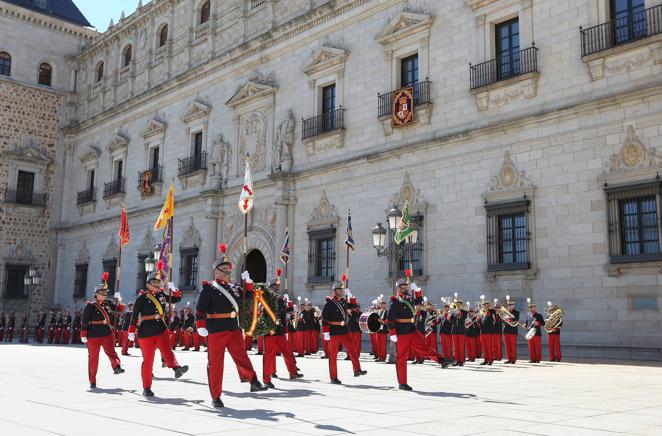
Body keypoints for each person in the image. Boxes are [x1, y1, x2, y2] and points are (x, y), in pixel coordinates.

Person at [195, 245, 267, 409]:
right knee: (216, 364)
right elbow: (200, 308)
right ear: (217, 272)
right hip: (216, 329)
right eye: (225, 270)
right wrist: (200, 324)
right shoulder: (209, 288)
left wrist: (248, 283)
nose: (228, 272)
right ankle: (216, 396)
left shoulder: (233, 288)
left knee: (241, 356)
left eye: (229, 269)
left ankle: (253, 381)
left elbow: (247, 298)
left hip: (233, 328)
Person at [127, 271, 189, 397]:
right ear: (148, 284)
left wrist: (174, 289)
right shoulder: (142, 298)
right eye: (154, 282)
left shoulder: (162, 295)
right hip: (146, 330)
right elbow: (134, 316)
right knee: (148, 360)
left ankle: (176, 368)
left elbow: (176, 298)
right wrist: (131, 330)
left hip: (161, 328)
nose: (157, 284)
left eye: (158, 282)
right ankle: (146, 387)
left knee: (167, 350)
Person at [388, 279, 449, 391]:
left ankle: (441, 360)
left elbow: (419, 301)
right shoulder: (394, 301)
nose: (406, 288)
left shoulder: (410, 299)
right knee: (402, 357)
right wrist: (392, 333)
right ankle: (402, 383)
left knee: (423, 347)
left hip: (412, 329)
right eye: (404, 287)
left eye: (407, 287)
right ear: (399, 288)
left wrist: (417, 290)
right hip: (401, 332)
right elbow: (390, 319)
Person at [321, 279, 367, 384]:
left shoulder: (343, 301)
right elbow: (325, 319)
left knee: (352, 349)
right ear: (334, 291)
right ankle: (333, 377)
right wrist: (326, 332)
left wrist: (350, 295)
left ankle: (357, 370)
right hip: (333, 330)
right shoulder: (329, 303)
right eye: (339, 290)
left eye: (342, 289)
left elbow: (354, 306)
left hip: (344, 329)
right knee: (333, 355)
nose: (341, 291)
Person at [262, 272, 303, 388]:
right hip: (270, 331)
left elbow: (284, 317)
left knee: (287, 352)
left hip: (279, 330)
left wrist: (285, 331)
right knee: (268, 355)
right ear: (269, 288)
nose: (277, 289)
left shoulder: (280, 301)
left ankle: (292, 372)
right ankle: (266, 379)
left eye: (277, 287)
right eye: (274, 287)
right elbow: (262, 316)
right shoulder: (264, 300)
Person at [81, 281, 126, 389]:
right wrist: (83, 334)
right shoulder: (90, 306)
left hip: (107, 332)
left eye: (105, 293)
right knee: (93, 358)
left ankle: (116, 366)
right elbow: (84, 321)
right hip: (93, 334)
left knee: (111, 351)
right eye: (102, 292)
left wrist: (119, 300)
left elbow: (120, 309)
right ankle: (92, 380)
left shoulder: (109, 303)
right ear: (96, 294)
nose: (104, 295)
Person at [525, 299, 544, 363]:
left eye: (533, 308)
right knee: (531, 347)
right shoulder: (528, 315)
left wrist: (538, 323)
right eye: (531, 308)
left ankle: (538, 359)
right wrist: (525, 325)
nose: (532, 309)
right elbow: (527, 323)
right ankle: (533, 359)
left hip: (536, 333)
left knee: (537, 347)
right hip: (530, 332)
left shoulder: (539, 315)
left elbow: (543, 323)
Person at [450, 299, 467, 366]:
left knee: (461, 347)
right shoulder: (453, 312)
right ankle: (457, 360)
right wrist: (449, 314)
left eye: (459, 304)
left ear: (461, 305)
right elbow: (451, 320)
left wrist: (458, 312)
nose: (457, 305)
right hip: (454, 331)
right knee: (455, 347)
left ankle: (461, 361)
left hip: (461, 331)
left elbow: (463, 319)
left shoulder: (464, 312)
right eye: (456, 304)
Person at [502, 297, 520, 364]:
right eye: (509, 305)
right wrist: (504, 319)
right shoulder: (505, 313)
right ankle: (509, 359)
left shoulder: (516, 312)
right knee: (507, 346)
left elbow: (516, 319)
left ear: (513, 306)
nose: (509, 306)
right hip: (506, 331)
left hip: (513, 331)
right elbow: (504, 322)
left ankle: (513, 359)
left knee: (513, 346)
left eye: (511, 305)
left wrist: (509, 318)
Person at [479, 299, 496, 365]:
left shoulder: (491, 311)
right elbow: (482, 323)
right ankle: (485, 360)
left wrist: (488, 310)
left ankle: (490, 360)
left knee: (489, 347)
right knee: (484, 347)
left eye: (486, 304)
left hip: (489, 332)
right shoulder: (483, 313)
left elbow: (494, 313)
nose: (485, 306)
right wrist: (479, 319)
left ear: (488, 305)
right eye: (484, 305)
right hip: (483, 332)